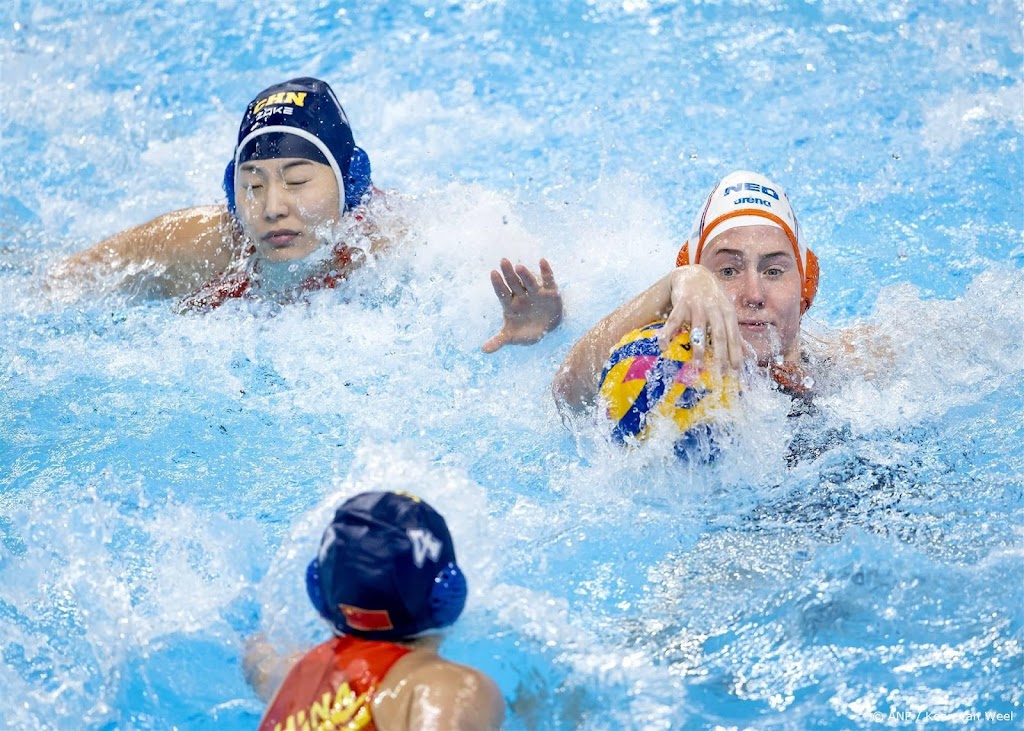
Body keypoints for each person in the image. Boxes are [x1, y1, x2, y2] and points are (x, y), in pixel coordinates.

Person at [49, 76, 561, 348]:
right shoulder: (198, 242)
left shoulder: (402, 247)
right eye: (252, 185)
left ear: (347, 183)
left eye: (296, 181)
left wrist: (544, 321)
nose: (273, 207)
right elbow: (54, 289)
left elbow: (503, 305)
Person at [553, 170, 833, 417]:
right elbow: (569, 395)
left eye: (773, 271)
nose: (754, 294)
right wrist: (675, 283)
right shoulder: (669, 363)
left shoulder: (836, 366)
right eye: (727, 271)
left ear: (806, 286)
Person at [244, 490, 505, 730]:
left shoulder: (290, 675)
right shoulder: (442, 687)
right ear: (446, 592)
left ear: (319, 591)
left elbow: (257, 660)